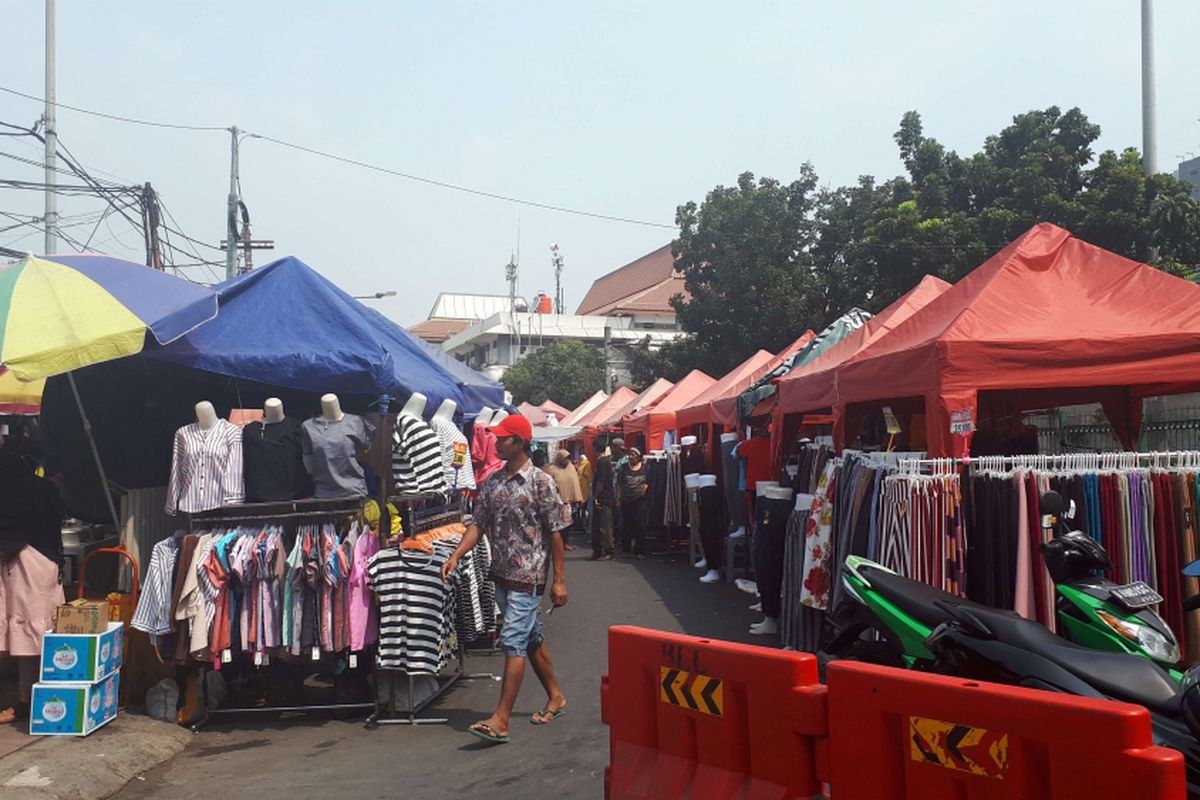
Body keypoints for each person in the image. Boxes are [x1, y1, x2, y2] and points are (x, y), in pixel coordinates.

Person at [442, 414, 570, 744]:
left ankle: (501, 719)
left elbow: (556, 533)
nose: (496, 443)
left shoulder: (541, 482)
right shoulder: (494, 482)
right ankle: (556, 696)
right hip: (499, 575)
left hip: (529, 578)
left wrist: (558, 580)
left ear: (520, 442)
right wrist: (456, 555)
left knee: (512, 641)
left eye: (503, 438)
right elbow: (477, 524)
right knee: (530, 638)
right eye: (496, 438)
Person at [0, 432, 64, 725]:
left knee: (27, 635)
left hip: (27, 564)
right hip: (44, 564)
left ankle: (27, 701)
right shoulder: (44, 488)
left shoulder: (15, 489)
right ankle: (32, 699)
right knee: (36, 635)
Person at [545, 450, 583, 551]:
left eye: (568, 458)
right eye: (565, 458)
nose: (567, 461)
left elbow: (575, 484)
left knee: (568, 524)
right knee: (558, 525)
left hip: (569, 502)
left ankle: (565, 542)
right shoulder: (552, 469)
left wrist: (577, 499)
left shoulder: (571, 468)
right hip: (557, 502)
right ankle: (557, 543)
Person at [616, 446, 650, 558]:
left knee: (640, 525)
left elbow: (648, 482)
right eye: (629, 454)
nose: (630, 457)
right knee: (626, 524)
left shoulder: (645, 468)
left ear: (638, 457)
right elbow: (618, 483)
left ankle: (639, 551)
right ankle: (626, 549)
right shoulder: (624, 468)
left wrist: (643, 491)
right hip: (626, 499)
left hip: (640, 500)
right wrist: (618, 497)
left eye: (633, 455)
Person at [590, 439, 619, 560]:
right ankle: (598, 550)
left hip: (604, 497)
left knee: (605, 525)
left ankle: (609, 551)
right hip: (605, 496)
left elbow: (601, 482)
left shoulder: (602, 462)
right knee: (597, 524)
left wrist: (596, 496)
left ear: (595, 449)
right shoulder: (604, 461)